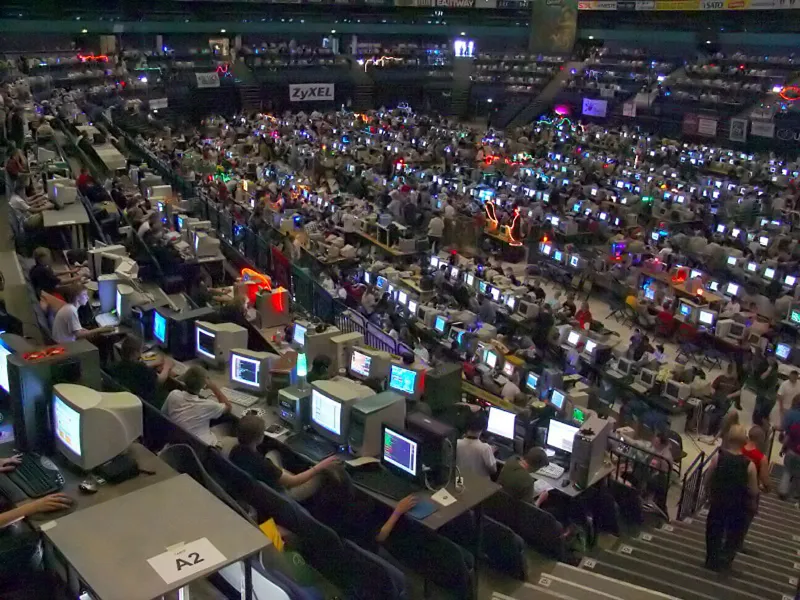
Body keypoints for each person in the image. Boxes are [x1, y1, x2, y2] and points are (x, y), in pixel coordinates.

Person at [229, 414, 338, 501]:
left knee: (273, 453)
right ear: (258, 438)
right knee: (323, 475)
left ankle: (286, 476)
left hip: (264, 483)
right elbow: (295, 480)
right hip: (282, 496)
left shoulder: (235, 451)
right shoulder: (263, 465)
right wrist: (319, 466)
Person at [703, 424, 759, 572]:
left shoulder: (718, 458)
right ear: (745, 441)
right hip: (738, 506)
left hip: (718, 501)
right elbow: (753, 491)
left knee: (714, 530)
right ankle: (726, 561)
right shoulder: (749, 465)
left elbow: (707, 479)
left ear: (728, 438)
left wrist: (709, 493)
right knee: (733, 535)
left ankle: (711, 560)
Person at [161, 365, 231, 446]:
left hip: (179, 444)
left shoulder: (174, 394)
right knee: (229, 425)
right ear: (204, 385)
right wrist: (214, 387)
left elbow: (164, 414)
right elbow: (228, 407)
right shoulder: (208, 405)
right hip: (203, 448)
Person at [106, 335, 173, 407]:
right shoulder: (140, 369)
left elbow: (136, 367)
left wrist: (153, 364)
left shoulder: (117, 366)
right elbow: (160, 380)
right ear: (135, 352)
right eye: (140, 350)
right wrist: (167, 366)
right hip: (149, 406)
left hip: (131, 401)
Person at [456, 413, 497, 478]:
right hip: (479, 484)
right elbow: (493, 470)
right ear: (483, 429)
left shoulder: (457, 443)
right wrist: (491, 453)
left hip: (459, 480)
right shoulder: (485, 448)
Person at [778, 393, 800, 501]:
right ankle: (795, 494)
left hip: (791, 450)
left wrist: (783, 448)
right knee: (798, 474)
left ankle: (783, 491)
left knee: (787, 470)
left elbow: (786, 435)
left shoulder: (791, 415)